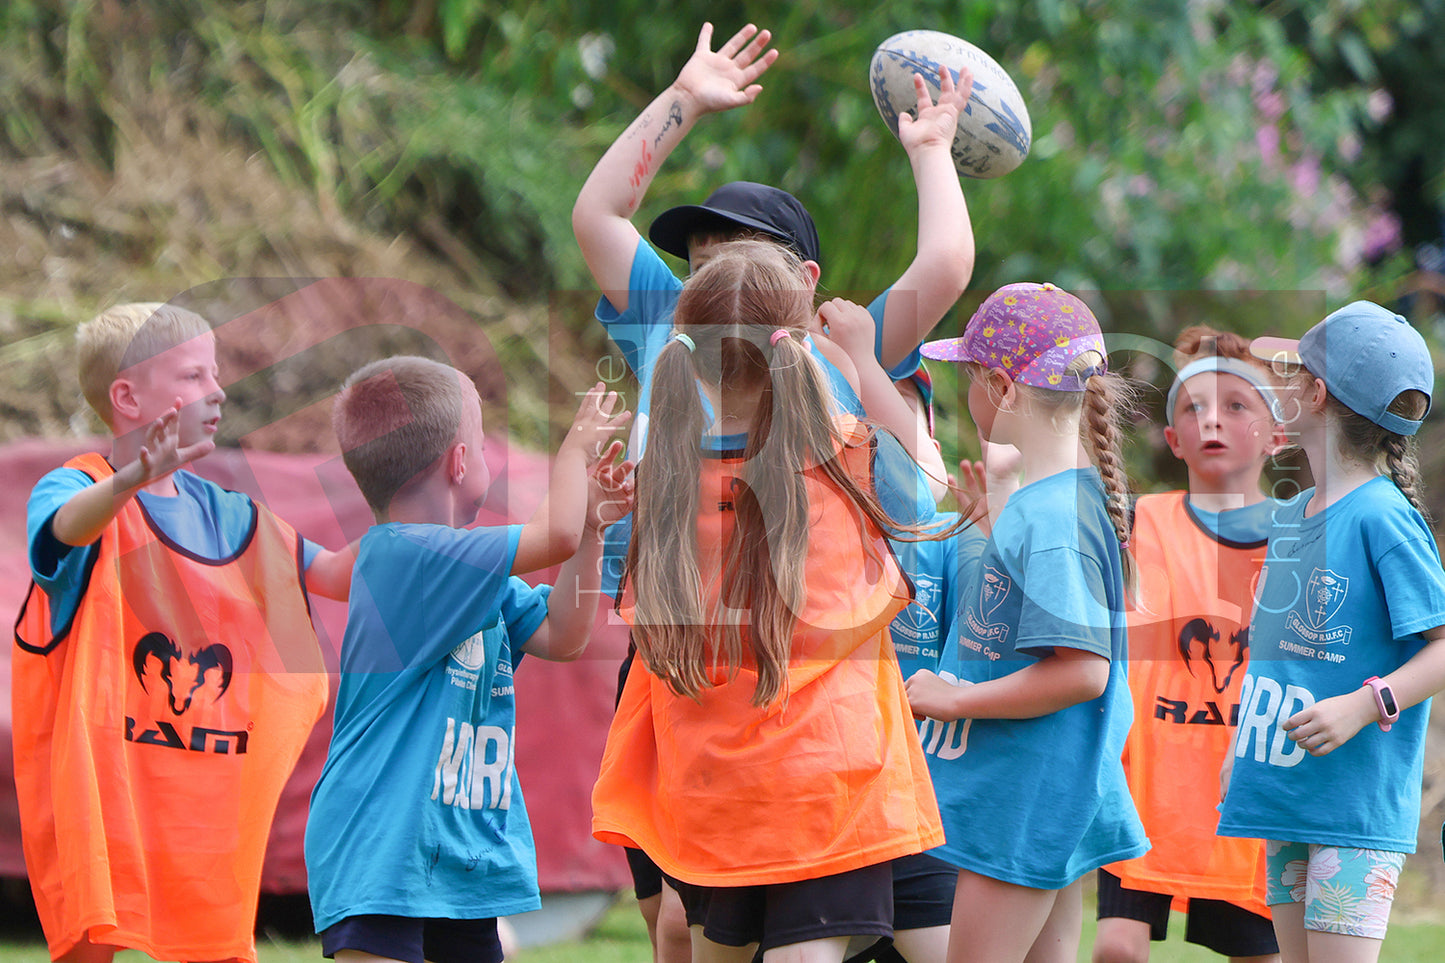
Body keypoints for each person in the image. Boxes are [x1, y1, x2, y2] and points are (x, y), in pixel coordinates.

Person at [572, 23, 972, 957]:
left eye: (738, 254)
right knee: (683, 920)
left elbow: (944, 269)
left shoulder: (839, 354)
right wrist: (684, 101)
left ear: (805, 282)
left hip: (809, 686)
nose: (715, 274)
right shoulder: (677, 336)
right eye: (701, 257)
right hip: (688, 669)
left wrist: (931, 154)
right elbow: (598, 219)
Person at [590, 240, 945, 963]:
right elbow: (927, 492)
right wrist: (855, 367)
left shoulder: (657, 479)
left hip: (711, 792)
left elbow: (625, 600)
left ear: (685, 354)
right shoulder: (852, 457)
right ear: (799, 345)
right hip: (829, 780)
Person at [12, 302, 354, 963]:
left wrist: (416, 520)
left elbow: (336, 573)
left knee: (219, 947)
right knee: (88, 943)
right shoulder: (77, 487)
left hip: (198, 793)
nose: (218, 390)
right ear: (128, 396)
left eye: (215, 373)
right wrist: (131, 479)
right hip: (100, 792)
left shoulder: (231, 513)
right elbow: (63, 533)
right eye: (194, 375)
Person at [305, 357, 631, 963]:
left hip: (460, 856)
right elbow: (549, 538)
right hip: (381, 848)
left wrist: (592, 529)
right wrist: (573, 457)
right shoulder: (404, 557)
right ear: (460, 462)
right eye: (483, 445)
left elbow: (565, 634)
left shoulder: (474, 578)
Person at [905, 282, 1149, 963]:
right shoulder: (1054, 503)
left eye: (969, 378)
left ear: (1001, 386)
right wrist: (991, 530)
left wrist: (955, 697)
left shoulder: (1051, 518)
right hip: (1044, 791)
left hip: (1024, 798)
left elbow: (1082, 671)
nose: (967, 395)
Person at [1217, 301, 1445, 963]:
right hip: (1287, 794)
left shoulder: (1382, 517)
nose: (1279, 387)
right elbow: (1277, 657)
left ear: (1314, 394)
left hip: (1352, 810)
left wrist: (1364, 704)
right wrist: (1246, 743)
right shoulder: (1290, 517)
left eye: (1291, 373)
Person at [1092, 327, 1287, 963]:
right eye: (1193, 408)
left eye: (1236, 405)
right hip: (1148, 791)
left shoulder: (1299, 537)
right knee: (1117, 948)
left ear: (1277, 436)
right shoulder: (1138, 521)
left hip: (1245, 800)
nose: (1213, 421)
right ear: (1172, 440)